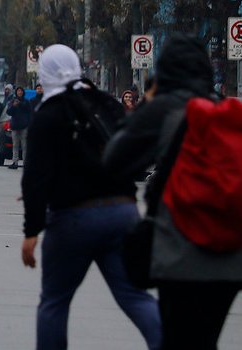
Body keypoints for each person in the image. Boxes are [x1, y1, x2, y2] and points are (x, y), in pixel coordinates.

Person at [104, 35, 242, 350]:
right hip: (233, 255)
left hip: (181, 252)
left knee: (178, 342)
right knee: (204, 342)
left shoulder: (165, 108)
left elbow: (115, 160)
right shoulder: (226, 110)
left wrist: (149, 103)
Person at [21, 44, 161, 350]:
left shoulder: (47, 114)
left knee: (55, 302)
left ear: (44, 74)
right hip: (122, 212)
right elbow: (133, 149)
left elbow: (35, 178)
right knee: (134, 295)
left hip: (72, 219)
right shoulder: (106, 102)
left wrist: (31, 231)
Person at [6, 86, 31, 169]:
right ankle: (15, 162)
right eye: (18, 91)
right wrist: (14, 105)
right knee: (15, 145)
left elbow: (28, 110)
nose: (19, 92)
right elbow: (9, 112)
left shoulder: (26, 101)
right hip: (15, 126)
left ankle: (25, 162)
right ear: (16, 92)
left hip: (24, 126)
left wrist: (19, 104)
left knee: (24, 145)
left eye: (21, 91)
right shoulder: (12, 101)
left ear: (23, 92)